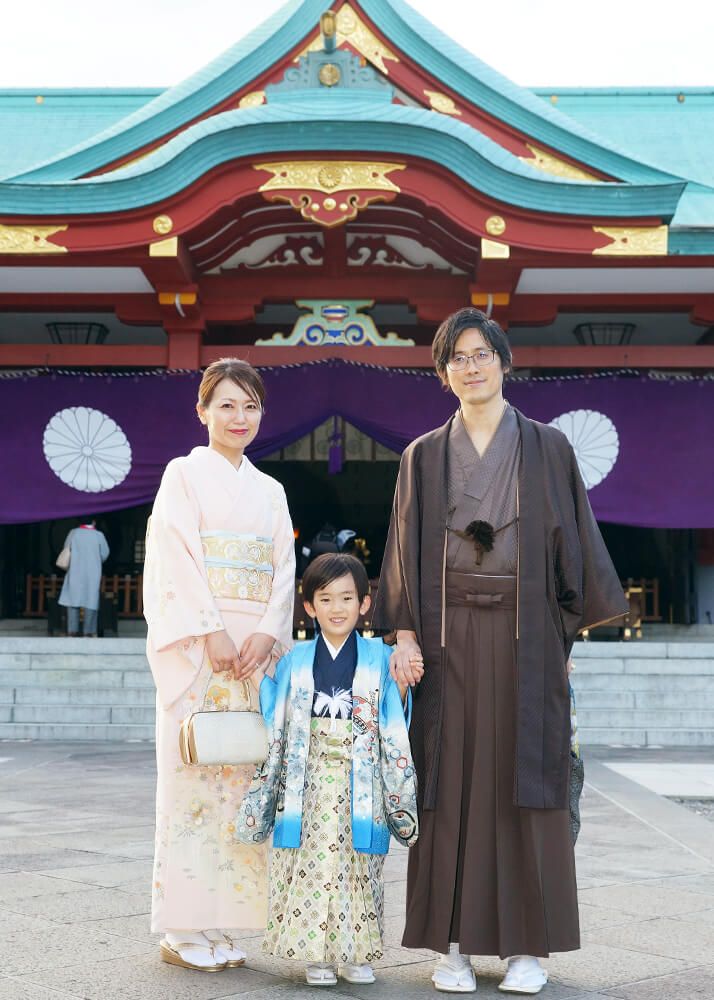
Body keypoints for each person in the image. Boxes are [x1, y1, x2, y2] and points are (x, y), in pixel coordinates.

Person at [373, 308, 628, 995]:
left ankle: (527, 948)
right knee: (448, 786)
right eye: (457, 357)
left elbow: (571, 546)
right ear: (442, 371)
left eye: (482, 353)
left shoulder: (548, 448)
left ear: (504, 361)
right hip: (447, 639)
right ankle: (450, 943)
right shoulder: (423, 455)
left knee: (528, 785)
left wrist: (564, 635)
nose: (472, 365)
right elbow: (401, 550)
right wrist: (403, 635)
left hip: (527, 639)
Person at [143, 358, 296, 973]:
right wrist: (208, 631)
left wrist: (266, 633)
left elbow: (283, 569)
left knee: (240, 788)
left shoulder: (272, 491)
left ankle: (223, 921)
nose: (240, 417)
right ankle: (183, 927)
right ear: (202, 410)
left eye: (251, 406)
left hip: (251, 656)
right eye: (227, 405)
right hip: (201, 651)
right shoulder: (183, 475)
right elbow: (174, 555)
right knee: (192, 784)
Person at [236, 552, 421, 987]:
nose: (337, 608)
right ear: (309, 606)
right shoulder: (296, 659)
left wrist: (400, 681)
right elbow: (276, 713)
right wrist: (263, 678)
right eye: (325, 598)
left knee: (360, 867)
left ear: (365, 604)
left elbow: (393, 717)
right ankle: (316, 956)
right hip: (308, 778)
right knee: (311, 865)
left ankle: (356, 954)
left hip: (363, 779)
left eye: (346, 598)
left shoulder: (379, 654)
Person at [58, 517, 109, 636]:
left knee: (73, 601)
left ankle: (72, 631)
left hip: (75, 571)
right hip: (93, 573)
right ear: (94, 521)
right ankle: (89, 632)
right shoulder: (98, 535)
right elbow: (105, 554)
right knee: (91, 601)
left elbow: (66, 549)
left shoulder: (73, 533)